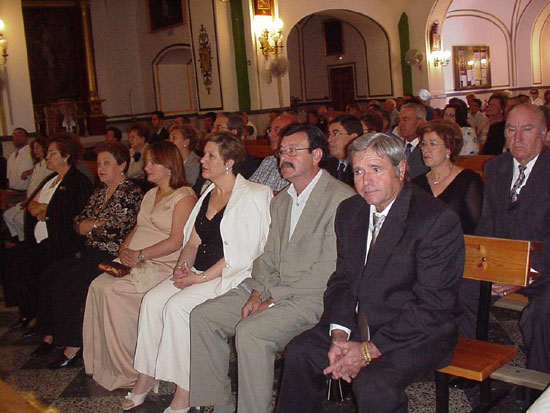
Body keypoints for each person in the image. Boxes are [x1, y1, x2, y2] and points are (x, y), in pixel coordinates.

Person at [277, 133, 464, 413]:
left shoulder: (434, 220)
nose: (366, 181)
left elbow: (433, 306)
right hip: (358, 323)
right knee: (300, 352)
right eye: (358, 171)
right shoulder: (350, 211)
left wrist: (367, 351)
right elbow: (342, 280)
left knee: (374, 384)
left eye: (376, 169)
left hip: (416, 332)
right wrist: (339, 334)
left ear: (400, 169)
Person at [188, 123, 354, 413]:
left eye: (293, 151)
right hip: (272, 289)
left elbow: (327, 271)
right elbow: (266, 257)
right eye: (282, 151)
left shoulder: (340, 199)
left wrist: (272, 299)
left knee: (252, 332)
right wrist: (255, 294)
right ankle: (218, 405)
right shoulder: (282, 202)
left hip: (311, 298)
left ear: (316, 155)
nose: (283, 157)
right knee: (204, 316)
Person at [125, 133, 273, 412]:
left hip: (231, 274)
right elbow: (192, 240)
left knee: (178, 308)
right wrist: (182, 268)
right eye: (203, 154)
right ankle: (147, 376)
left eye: (210, 156)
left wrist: (198, 279)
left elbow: (245, 252)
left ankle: (187, 390)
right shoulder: (207, 191)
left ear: (229, 162)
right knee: (153, 300)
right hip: (197, 270)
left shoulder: (254, 194)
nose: (202, 160)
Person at [83, 141, 197, 391]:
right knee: (97, 286)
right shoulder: (150, 193)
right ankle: (106, 364)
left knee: (114, 293)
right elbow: (139, 227)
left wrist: (139, 255)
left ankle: (135, 370)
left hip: (161, 264)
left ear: (169, 166)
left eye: (152, 162)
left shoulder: (184, 197)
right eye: (146, 161)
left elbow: (177, 240)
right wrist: (124, 247)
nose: (146, 167)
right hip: (136, 259)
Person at [462, 103, 550, 401]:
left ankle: (537, 390)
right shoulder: (496, 167)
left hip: (544, 268)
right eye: (511, 130)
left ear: (545, 133)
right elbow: (488, 225)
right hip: (503, 262)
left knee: (541, 315)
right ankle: (471, 369)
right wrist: (487, 265)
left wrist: (523, 274)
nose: (518, 138)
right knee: (459, 288)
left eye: (527, 130)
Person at [31, 142, 144, 368]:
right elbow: (77, 222)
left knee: (68, 282)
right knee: (50, 274)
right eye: (99, 163)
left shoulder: (131, 191)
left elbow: (117, 228)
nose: (100, 168)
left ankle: (74, 345)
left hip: (111, 253)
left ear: (122, 165)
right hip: (89, 249)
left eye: (107, 163)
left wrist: (90, 225)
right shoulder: (100, 191)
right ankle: (50, 334)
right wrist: (93, 224)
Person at [6, 135, 93, 336]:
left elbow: (70, 213)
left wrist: (46, 210)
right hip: (41, 239)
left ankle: (45, 323)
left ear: (66, 155)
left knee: (35, 266)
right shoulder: (50, 179)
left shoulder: (77, 181)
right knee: (14, 261)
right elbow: (32, 206)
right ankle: (29, 312)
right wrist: (42, 209)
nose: (48, 155)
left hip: (62, 243)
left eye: (53, 152)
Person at [412, 119, 483, 235]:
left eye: (433, 144)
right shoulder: (416, 184)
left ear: (449, 149)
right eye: (423, 144)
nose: (425, 150)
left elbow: (480, 225)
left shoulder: (468, 180)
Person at [3, 137, 50, 243]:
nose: (36, 150)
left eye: (38, 147)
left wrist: (29, 201)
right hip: (29, 198)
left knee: (19, 219)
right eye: (34, 148)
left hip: (37, 201)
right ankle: (18, 238)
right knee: (8, 215)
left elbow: (43, 187)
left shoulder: (47, 166)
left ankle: (26, 240)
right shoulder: (38, 165)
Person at [248, 113, 298, 192]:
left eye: (276, 130)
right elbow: (250, 187)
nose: (270, 135)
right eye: (270, 130)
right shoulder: (269, 161)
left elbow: (290, 196)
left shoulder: (298, 164)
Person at [393, 102, 429, 179]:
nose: (401, 124)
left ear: (420, 123)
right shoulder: (396, 148)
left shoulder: (427, 149)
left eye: (405, 120)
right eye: (399, 121)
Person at [325, 114, 363, 186]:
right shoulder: (326, 165)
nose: (329, 140)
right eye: (329, 134)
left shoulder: (361, 167)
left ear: (353, 138)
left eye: (335, 134)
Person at [5, 128, 34, 206]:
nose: (16, 137)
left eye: (19, 134)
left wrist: (30, 171)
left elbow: (43, 167)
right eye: (14, 135)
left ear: (27, 138)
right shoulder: (12, 156)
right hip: (12, 193)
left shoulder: (32, 153)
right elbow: (9, 177)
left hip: (25, 193)